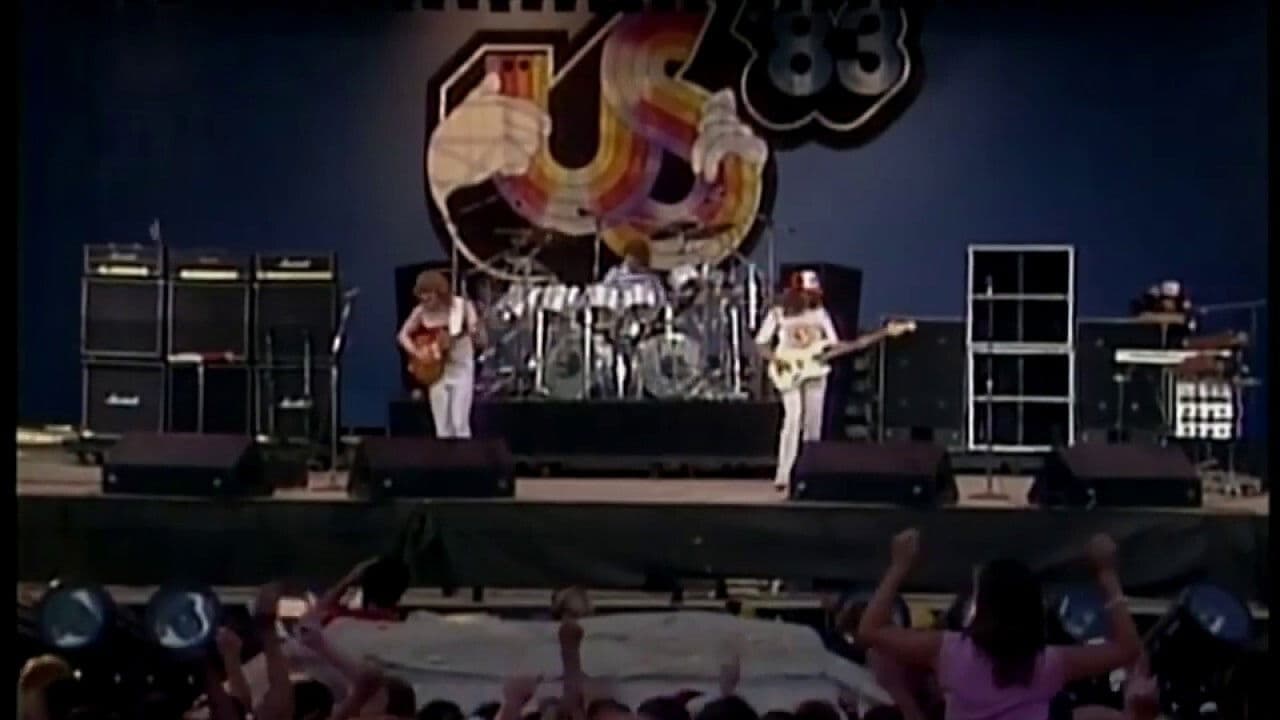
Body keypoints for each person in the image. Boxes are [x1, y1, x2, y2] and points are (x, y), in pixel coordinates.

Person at [856, 529, 1142, 720]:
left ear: (982, 606)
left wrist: (899, 565)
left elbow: (870, 630)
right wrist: (1107, 575)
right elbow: (1128, 649)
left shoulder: (949, 651)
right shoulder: (1049, 664)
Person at [754, 270, 839, 492]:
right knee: (792, 419)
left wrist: (823, 355)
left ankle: (811, 471)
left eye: (813, 293)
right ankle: (784, 472)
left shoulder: (820, 314)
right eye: (806, 293)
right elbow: (761, 343)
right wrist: (777, 360)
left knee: (813, 423)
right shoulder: (778, 314)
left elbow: (834, 343)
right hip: (789, 372)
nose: (810, 298)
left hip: (815, 372)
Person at [398, 270, 486, 439]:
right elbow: (402, 335)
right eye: (422, 296)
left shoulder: (461, 307)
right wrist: (418, 353)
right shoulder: (420, 312)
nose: (425, 300)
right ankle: (444, 456)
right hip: (437, 371)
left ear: (440, 293)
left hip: (461, 368)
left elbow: (476, 334)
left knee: (459, 422)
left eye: (429, 295)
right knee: (441, 426)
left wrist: (474, 331)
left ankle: (465, 455)